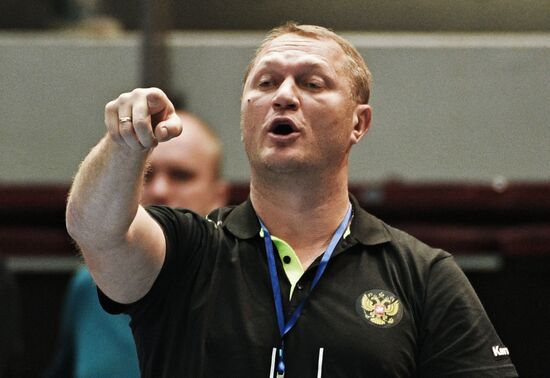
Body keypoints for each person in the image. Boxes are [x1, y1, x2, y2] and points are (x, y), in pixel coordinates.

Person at [65, 23, 518, 377]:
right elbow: (98, 231)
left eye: (312, 83)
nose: (283, 96)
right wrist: (123, 145)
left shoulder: (421, 276)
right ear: (245, 114)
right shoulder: (189, 250)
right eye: (265, 83)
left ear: (358, 124)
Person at [47, 111, 227, 378]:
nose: (160, 190)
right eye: (146, 175)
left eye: (180, 175)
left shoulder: (240, 285)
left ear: (218, 196)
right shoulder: (88, 285)